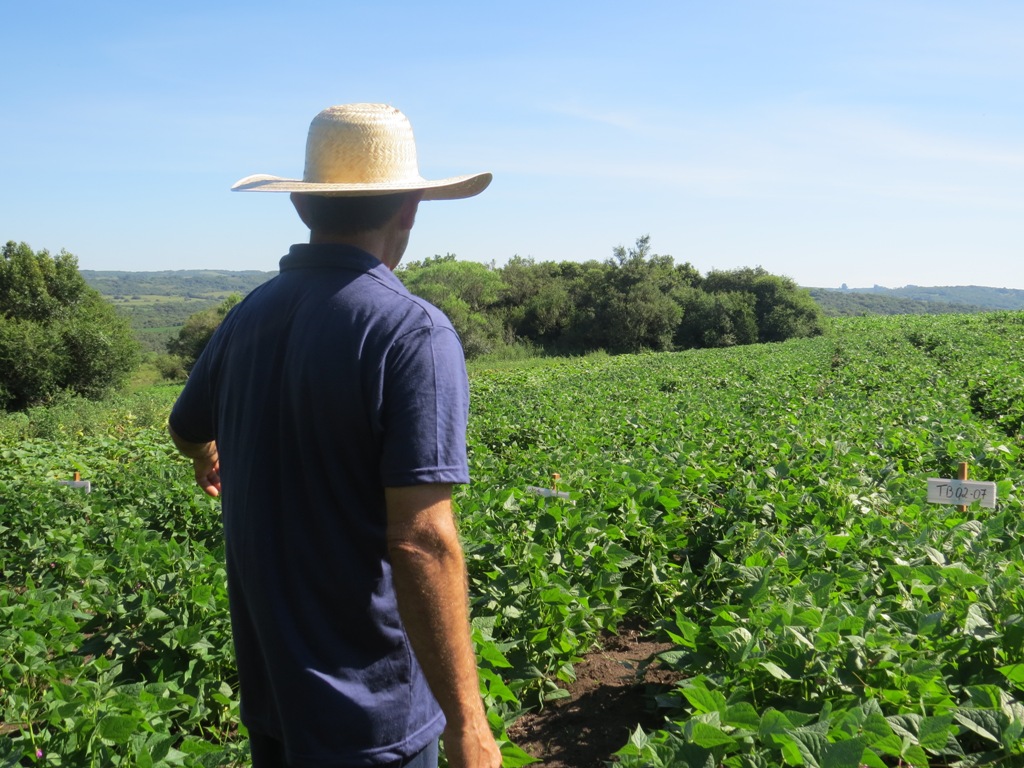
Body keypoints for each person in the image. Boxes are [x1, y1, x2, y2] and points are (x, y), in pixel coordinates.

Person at [168, 103, 501, 768]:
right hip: (372, 721)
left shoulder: (249, 315)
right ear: (408, 206)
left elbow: (185, 425)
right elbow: (421, 539)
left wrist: (209, 450)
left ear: (302, 208)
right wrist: (468, 723)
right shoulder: (412, 331)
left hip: (275, 704)